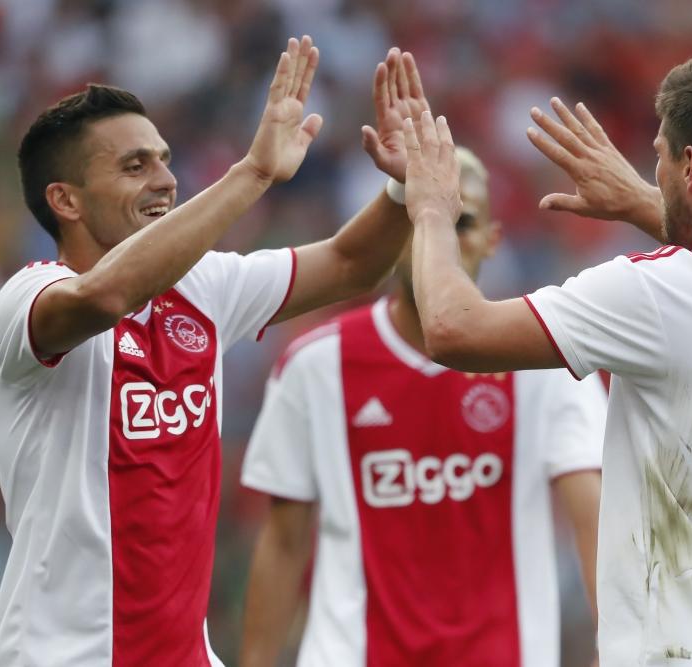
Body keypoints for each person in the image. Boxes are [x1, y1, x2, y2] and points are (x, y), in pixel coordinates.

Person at [402, 41, 692, 666]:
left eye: (657, 156)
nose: (651, 173)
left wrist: (432, 211)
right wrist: (639, 201)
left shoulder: (661, 293)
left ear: (690, 166)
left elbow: (452, 328)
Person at [0, 38, 428, 666]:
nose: (166, 180)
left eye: (164, 160)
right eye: (134, 166)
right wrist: (253, 173)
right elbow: (106, 295)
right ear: (66, 200)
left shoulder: (202, 287)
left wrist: (404, 189)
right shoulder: (26, 302)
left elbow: (352, 264)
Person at [238, 147, 606, 667]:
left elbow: (594, 519)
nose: (439, 239)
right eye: (419, 218)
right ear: (390, 235)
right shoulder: (316, 363)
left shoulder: (544, 362)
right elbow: (283, 540)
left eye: (462, 222)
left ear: (491, 240)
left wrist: (615, 649)